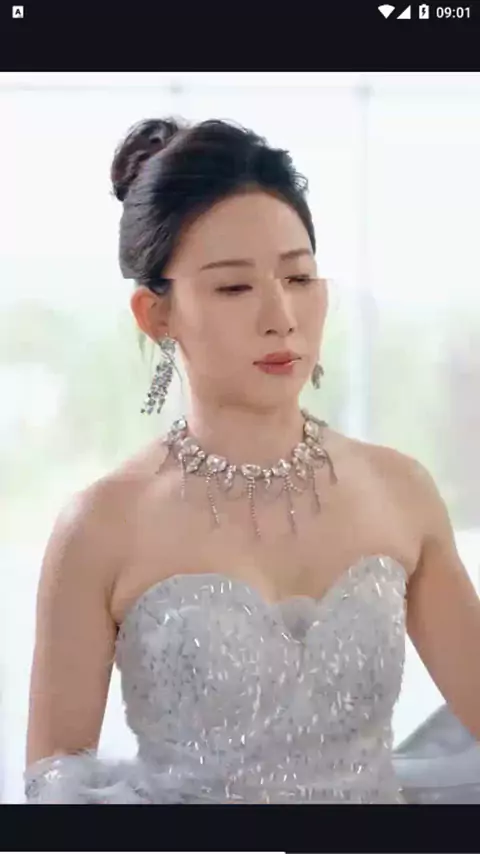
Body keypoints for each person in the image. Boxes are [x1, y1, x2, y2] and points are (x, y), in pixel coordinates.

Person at [24, 117, 480, 804]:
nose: (281, 316)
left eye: (299, 277)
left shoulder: (399, 491)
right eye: (235, 288)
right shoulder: (99, 527)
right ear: (155, 315)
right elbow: (57, 784)